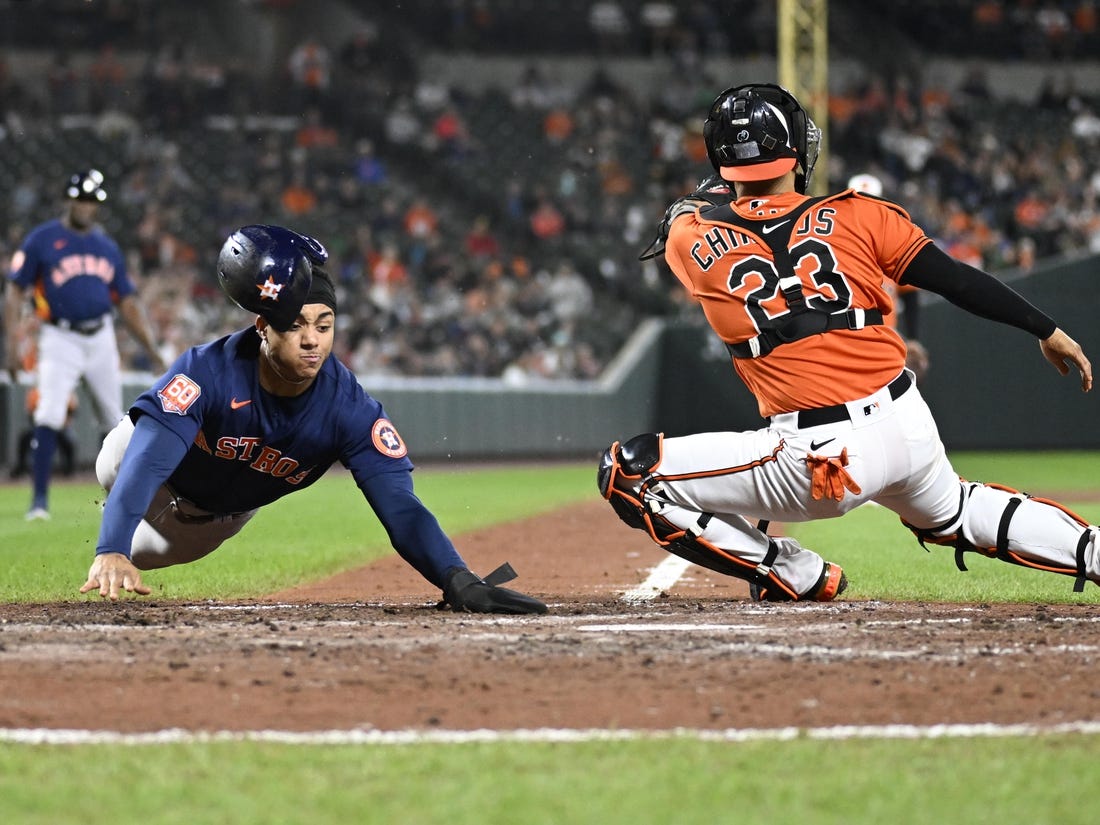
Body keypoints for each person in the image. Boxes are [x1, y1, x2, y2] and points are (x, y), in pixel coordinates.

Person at [600, 83, 1095, 602]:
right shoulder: (862, 213)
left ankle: (787, 570)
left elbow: (687, 216)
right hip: (906, 425)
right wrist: (1047, 329)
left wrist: (695, 201)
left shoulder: (689, 238)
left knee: (627, 473)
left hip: (817, 458)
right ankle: (1095, 551)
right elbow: (959, 281)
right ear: (796, 150)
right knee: (958, 509)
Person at [79, 224, 546, 615]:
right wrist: (110, 548)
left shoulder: (349, 410)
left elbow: (401, 507)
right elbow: (147, 463)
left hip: (213, 520)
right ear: (263, 328)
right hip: (146, 461)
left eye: (324, 325)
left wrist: (455, 577)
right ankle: (113, 525)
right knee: (115, 472)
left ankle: (121, 532)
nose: (312, 341)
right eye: (295, 325)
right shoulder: (207, 372)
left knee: (145, 557)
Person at [5, 169, 166, 521]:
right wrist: (11, 344)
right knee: (48, 414)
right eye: (82, 199)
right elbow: (16, 290)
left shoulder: (107, 247)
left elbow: (126, 302)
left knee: (115, 420)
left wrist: (152, 349)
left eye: (92, 201)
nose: (87, 207)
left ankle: (121, 501)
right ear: (68, 200)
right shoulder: (42, 239)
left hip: (101, 336)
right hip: (59, 336)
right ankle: (39, 501)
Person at [847, 172, 929, 383]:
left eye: (871, 201)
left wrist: (912, 339)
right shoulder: (838, 244)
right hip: (848, 346)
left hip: (885, 342)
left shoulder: (891, 243)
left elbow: (910, 297)